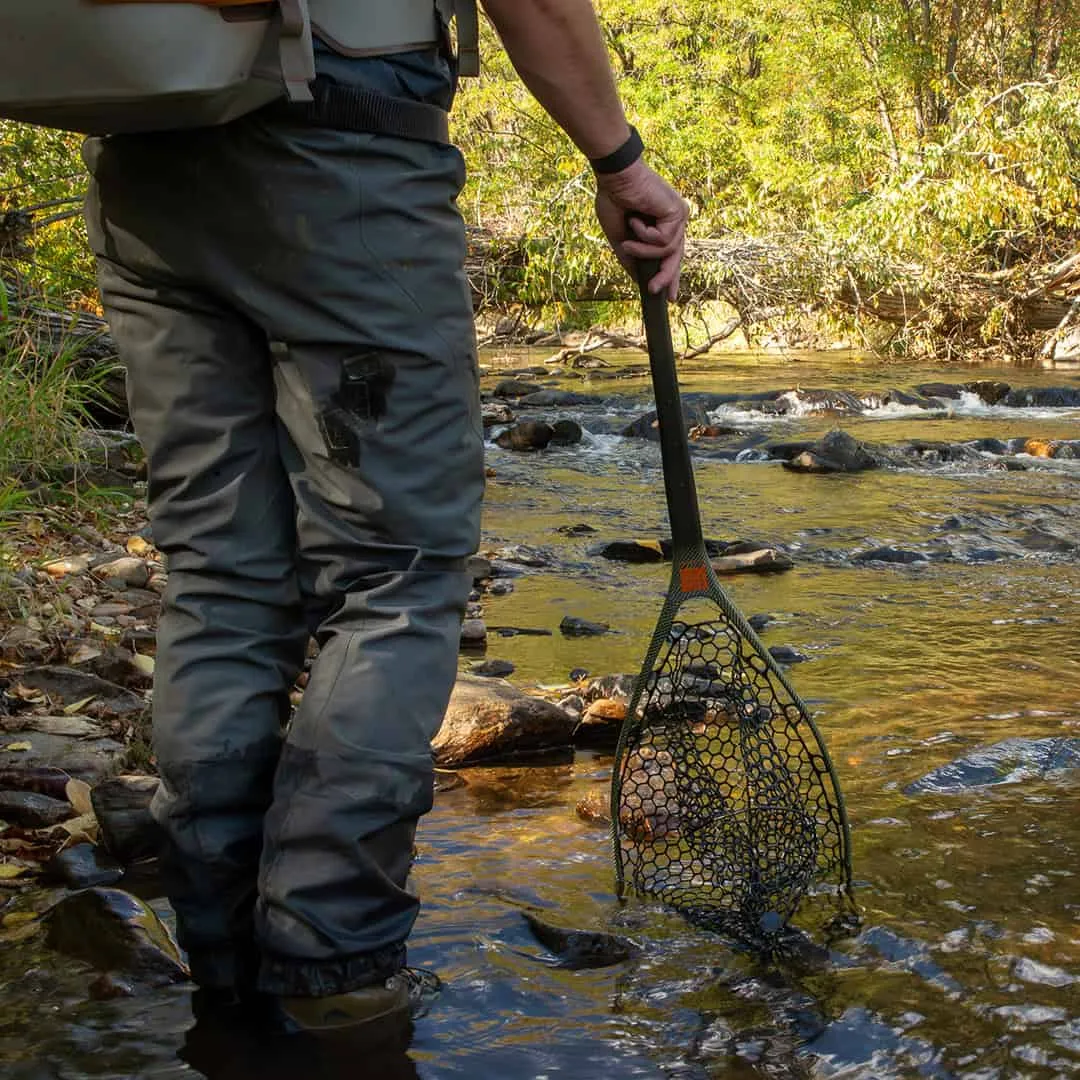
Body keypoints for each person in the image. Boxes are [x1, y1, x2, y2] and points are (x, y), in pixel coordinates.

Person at [82, 0, 687, 1037]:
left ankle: (224, 957)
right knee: (396, 577)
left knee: (219, 576)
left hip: (146, 168)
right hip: (341, 156)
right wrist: (619, 159)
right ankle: (332, 963)